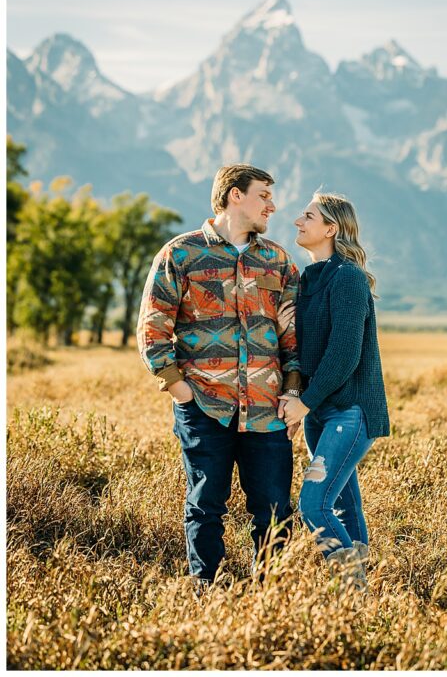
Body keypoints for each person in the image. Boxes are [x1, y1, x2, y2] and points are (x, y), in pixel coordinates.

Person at [137, 164, 302, 593]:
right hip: (205, 406)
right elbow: (153, 327)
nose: (273, 204)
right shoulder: (181, 254)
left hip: (267, 411)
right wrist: (177, 386)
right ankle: (204, 590)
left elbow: (294, 337)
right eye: (264, 194)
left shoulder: (278, 260)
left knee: (273, 508)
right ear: (234, 195)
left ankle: (270, 596)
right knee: (206, 504)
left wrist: (293, 390)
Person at [278, 191, 390, 589]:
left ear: (331, 228)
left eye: (308, 216)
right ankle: (361, 603)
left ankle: (351, 589)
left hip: (350, 413)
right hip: (320, 414)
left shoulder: (348, 278)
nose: (297, 221)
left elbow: (343, 355)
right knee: (343, 503)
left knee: (314, 505)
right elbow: (306, 350)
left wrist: (303, 403)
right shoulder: (307, 279)